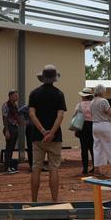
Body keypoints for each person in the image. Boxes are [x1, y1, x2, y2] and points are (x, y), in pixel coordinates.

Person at [29, 65, 66, 202]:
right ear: (54, 78)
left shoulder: (34, 93)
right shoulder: (59, 94)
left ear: (42, 78)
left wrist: (43, 131)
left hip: (38, 137)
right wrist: (52, 133)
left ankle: (34, 200)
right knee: (54, 169)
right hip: (55, 138)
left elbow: (32, 114)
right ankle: (54, 200)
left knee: (36, 168)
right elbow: (60, 115)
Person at [90, 84, 111, 177]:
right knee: (110, 145)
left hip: (95, 125)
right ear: (102, 91)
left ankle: (96, 168)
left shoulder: (92, 102)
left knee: (97, 147)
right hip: (104, 124)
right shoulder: (104, 101)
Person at [74, 87, 94, 176]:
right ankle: (95, 167)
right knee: (93, 147)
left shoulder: (79, 105)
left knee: (84, 148)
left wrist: (76, 129)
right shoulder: (94, 104)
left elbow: (75, 116)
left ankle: (85, 168)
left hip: (83, 126)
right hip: (93, 126)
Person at [2, 90, 21, 174]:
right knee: (8, 148)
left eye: (17, 96)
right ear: (10, 96)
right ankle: (7, 167)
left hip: (15, 127)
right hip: (9, 128)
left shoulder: (14, 105)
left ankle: (10, 166)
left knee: (11, 148)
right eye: (15, 96)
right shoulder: (6, 105)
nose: (17, 97)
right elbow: (5, 118)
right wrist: (7, 131)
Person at [17, 105, 34, 171]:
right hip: (30, 127)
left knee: (38, 146)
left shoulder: (38, 107)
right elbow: (17, 113)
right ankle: (32, 165)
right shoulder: (25, 108)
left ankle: (37, 165)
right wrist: (22, 122)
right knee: (30, 147)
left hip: (37, 128)